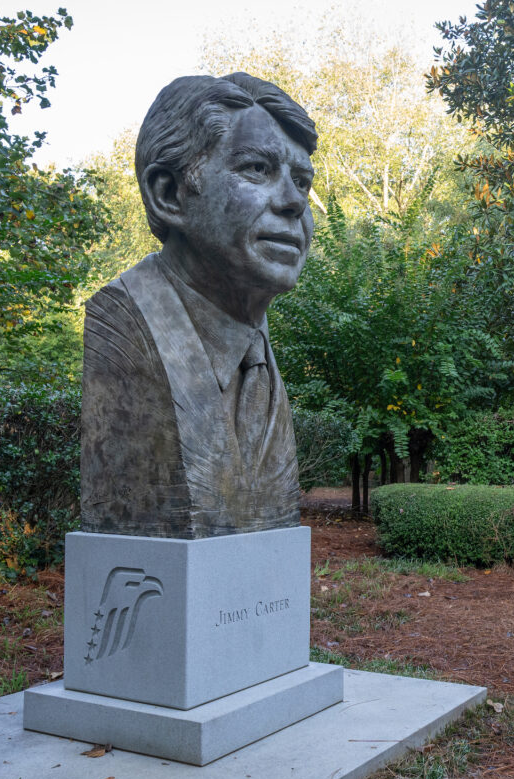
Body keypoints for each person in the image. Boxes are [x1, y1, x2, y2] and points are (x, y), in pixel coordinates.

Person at [80, 73, 317, 539]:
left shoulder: (256, 345)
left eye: (302, 181)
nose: (294, 202)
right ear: (169, 194)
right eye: (257, 169)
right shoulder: (127, 322)